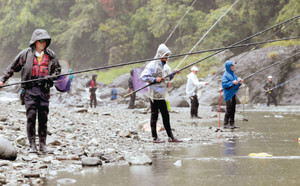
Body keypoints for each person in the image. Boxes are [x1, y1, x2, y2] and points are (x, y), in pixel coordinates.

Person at [0, 29, 61, 153]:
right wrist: (2, 80)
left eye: (45, 41)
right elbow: (12, 68)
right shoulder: (25, 54)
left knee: (43, 118)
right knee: (31, 117)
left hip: (44, 91)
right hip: (29, 91)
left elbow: (58, 71)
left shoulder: (51, 55)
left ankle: (43, 145)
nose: (42, 44)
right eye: (40, 41)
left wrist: (51, 76)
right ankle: (32, 146)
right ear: (35, 42)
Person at [140, 44, 182, 143]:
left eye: (168, 55)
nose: (167, 57)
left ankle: (171, 137)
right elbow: (143, 77)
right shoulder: (152, 65)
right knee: (154, 115)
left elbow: (167, 78)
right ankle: (155, 137)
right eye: (165, 55)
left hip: (162, 94)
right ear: (159, 55)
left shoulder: (166, 67)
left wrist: (173, 73)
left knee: (166, 115)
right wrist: (154, 79)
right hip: (154, 94)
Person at [222, 60, 243, 129]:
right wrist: (232, 83)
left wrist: (239, 83)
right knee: (229, 109)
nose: (233, 67)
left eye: (233, 66)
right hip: (228, 94)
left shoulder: (234, 75)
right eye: (232, 66)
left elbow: (236, 85)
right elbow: (224, 85)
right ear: (228, 67)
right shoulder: (225, 75)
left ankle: (232, 123)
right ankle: (225, 124)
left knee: (233, 109)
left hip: (233, 94)